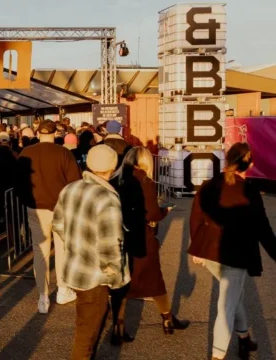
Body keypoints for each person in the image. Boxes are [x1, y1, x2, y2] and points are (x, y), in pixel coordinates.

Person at [189, 143, 276, 360]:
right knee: (226, 306)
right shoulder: (249, 190)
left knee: (232, 297)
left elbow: (196, 218)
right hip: (236, 256)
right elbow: (262, 228)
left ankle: (244, 338)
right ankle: (217, 356)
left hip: (209, 253)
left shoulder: (208, 185)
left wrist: (196, 249)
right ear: (249, 165)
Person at [52, 145, 129, 360]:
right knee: (87, 334)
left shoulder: (70, 188)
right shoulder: (108, 198)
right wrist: (115, 278)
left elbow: (57, 224)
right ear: (113, 168)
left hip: (75, 267)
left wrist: (78, 243)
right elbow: (110, 246)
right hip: (95, 276)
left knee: (86, 327)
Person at [109, 147, 188, 345]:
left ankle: (118, 327)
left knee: (122, 284)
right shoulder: (145, 180)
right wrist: (164, 211)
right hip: (142, 237)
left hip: (118, 237)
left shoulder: (115, 180)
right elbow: (152, 214)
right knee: (154, 281)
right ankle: (168, 319)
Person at [17, 120, 82, 313]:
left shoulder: (26, 152)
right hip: (60, 207)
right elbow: (75, 182)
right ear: (56, 133)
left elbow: (18, 181)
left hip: (35, 207)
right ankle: (63, 289)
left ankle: (43, 297)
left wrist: (26, 200)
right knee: (62, 248)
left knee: (40, 251)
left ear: (38, 133)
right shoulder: (64, 153)